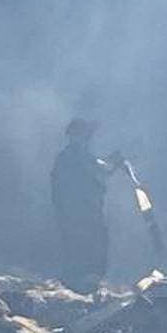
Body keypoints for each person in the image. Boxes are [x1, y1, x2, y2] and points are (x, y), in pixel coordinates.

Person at [50, 118, 121, 292]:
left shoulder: (77, 156)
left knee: (89, 244)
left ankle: (85, 282)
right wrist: (113, 164)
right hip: (80, 213)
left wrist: (113, 162)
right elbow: (98, 171)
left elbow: (101, 169)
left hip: (82, 212)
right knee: (87, 245)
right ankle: (81, 283)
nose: (86, 138)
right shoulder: (72, 157)